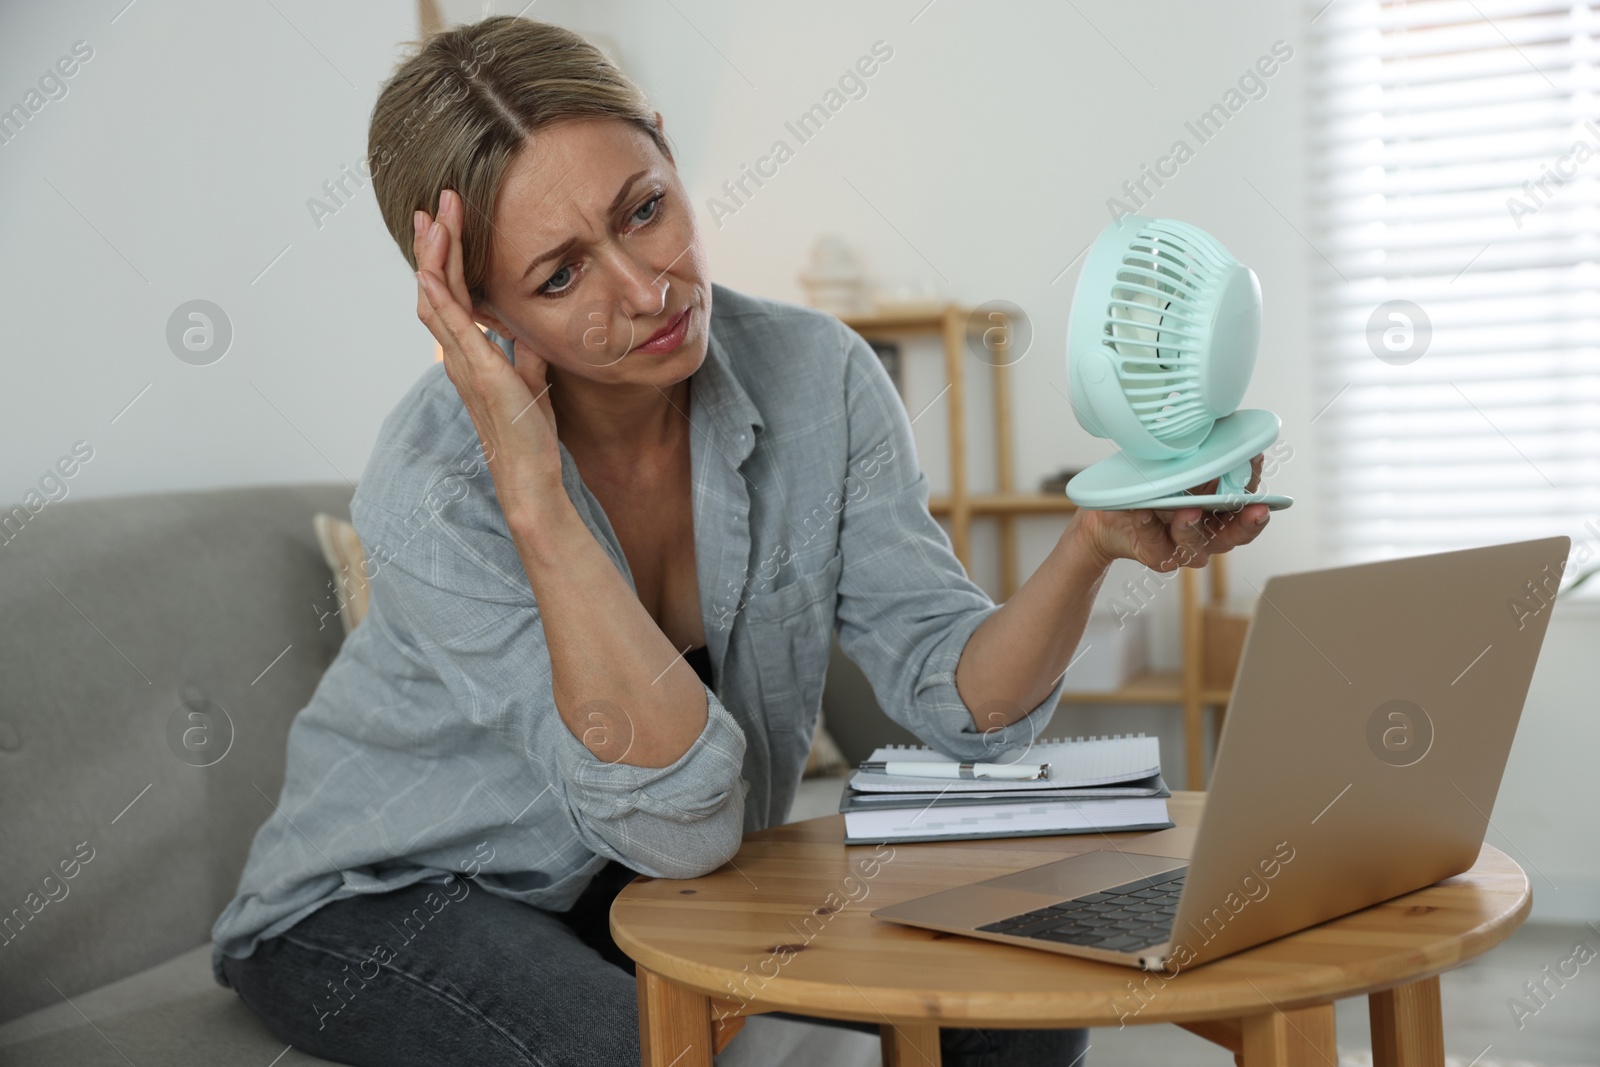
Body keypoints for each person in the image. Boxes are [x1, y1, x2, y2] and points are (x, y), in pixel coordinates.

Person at [209, 15, 1270, 1066]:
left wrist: (1091, 545)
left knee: (1014, 1000)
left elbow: (967, 708)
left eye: (645, 209)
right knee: (628, 1048)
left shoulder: (819, 376)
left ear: (667, 149)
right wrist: (537, 498)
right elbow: (682, 827)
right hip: (386, 896)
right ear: (480, 317)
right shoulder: (433, 485)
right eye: (559, 277)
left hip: (632, 876)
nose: (644, 289)